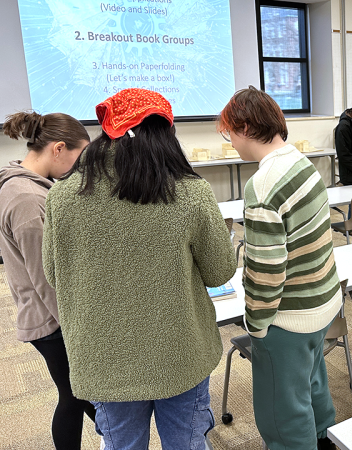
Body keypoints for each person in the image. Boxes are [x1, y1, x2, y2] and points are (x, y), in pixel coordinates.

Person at [42, 88, 237, 450]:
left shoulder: (62, 196)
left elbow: (55, 275)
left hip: (104, 358)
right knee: (188, 444)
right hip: (181, 353)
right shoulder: (190, 192)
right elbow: (220, 271)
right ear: (166, 133)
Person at [217, 86, 342, 450]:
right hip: (323, 302)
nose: (231, 142)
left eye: (229, 132)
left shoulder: (262, 184)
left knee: (282, 414)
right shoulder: (302, 163)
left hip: (287, 319)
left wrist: (255, 323)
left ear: (242, 127)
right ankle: (324, 441)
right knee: (312, 386)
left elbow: (267, 270)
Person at [0, 112, 94, 449]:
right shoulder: (27, 199)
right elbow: (46, 278)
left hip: (46, 316)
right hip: (51, 321)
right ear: (58, 149)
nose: (80, 167)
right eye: (78, 157)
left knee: (76, 396)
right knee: (83, 397)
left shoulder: (25, 185)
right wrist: (79, 326)